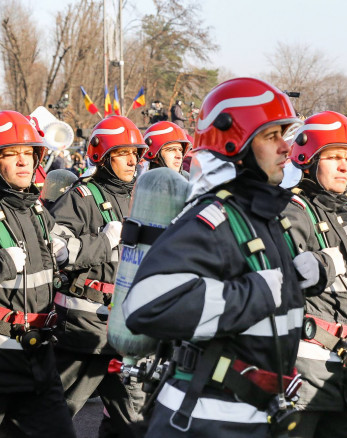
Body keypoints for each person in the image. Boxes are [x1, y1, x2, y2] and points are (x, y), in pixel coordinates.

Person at [123, 78, 306, 437]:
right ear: (236, 144)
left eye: (286, 134)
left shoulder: (257, 214)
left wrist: (296, 282)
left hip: (248, 415)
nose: (287, 147)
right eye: (272, 136)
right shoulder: (213, 216)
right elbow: (146, 304)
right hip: (207, 421)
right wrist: (258, 292)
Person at [50, 115, 149, 436]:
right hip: (84, 333)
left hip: (124, 332)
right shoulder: (81, 198)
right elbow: (56, 250)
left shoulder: (141, 197)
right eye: (122, 153)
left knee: (132, 424)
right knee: (53, 417)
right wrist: (104, 241)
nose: (132, 160)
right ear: (102, 158)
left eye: (135, 153)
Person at [283, 111, 347, 437]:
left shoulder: (341, 211)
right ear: (307, 159)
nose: (343, 166)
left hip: (340, 363)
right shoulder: (293, 211)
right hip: (306, 364)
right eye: (333, 157)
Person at [0, 110, 75, 437]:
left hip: (39, 354)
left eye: (28, 153)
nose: (22, 162)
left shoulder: (36, 208)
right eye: (11, 154)